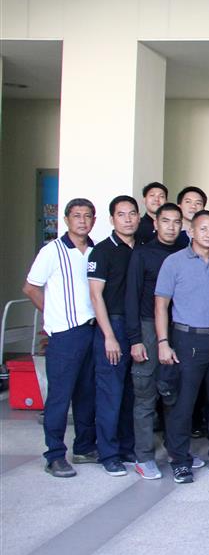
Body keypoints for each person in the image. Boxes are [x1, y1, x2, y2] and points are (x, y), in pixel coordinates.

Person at [154, 209, 209, 484]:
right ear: (191, 232)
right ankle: (180, 461)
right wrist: (162, 342)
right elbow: (161, 306)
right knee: (183, 404)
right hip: (187, 339)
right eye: (202, 229)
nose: (208, 233)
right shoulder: (174, 262)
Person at [23, 198, 98, 478]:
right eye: (77, 215)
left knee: (87, 394)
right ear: (66, 219)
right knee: (59, 396)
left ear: (94, 219)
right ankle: (54, 454)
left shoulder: (95, 250)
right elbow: (30, 288)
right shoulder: (51, 251)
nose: (82, 220)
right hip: (66, 334)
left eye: (87, 216)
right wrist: (53, 315)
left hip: (93, 330)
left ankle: (84, 447)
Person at [124, 203, 189, 480]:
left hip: (179, 328)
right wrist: (136, 339)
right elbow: (131, 298)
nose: (171, 227)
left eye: (176, 222)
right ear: (155, 224)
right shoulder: (142, 253)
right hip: (149, 328)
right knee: (146, 393)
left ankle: (178, 452)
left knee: (176, 393)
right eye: (166, 221)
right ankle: (144, 456)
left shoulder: (186, 253)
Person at [87, 195, 140, 476]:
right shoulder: (103, 251)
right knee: (111, 392)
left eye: (132, 214)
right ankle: (108, 453)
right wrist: (108, 335)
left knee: (132, 391)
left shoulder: (141, 249)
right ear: (112, 219)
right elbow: (96, 296)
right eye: (122, 214)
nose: (128, 219)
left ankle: (126, 446)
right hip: (113, 326)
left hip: (137, 328)